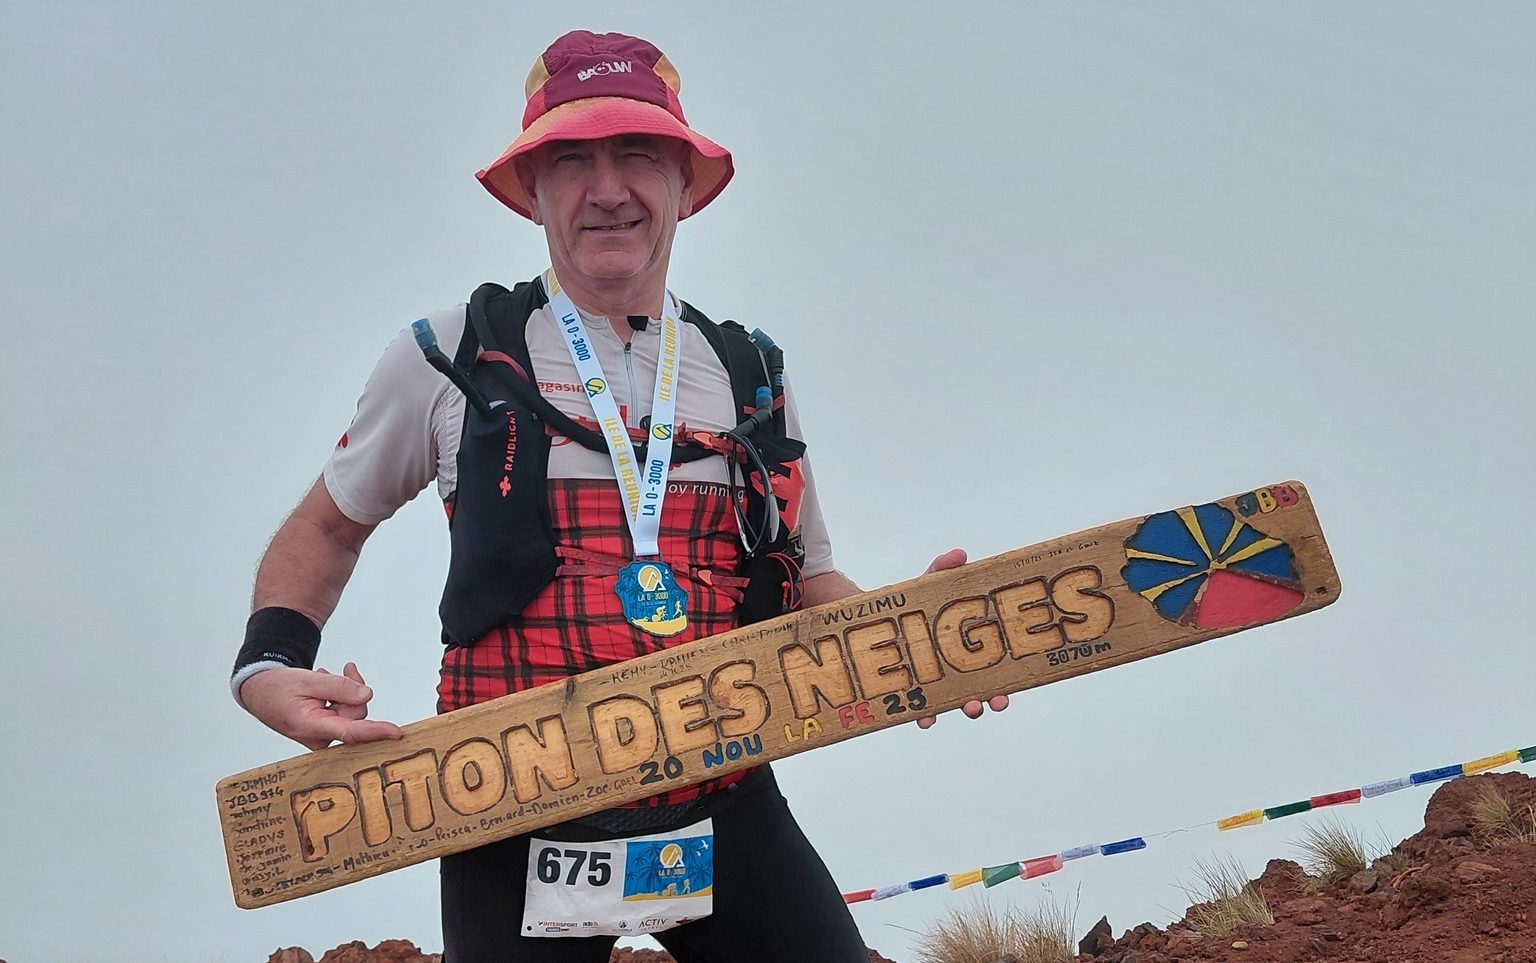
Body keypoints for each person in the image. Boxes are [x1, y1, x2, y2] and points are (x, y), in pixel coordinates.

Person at [231, 29, 1006, 962]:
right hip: (508, 799)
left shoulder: (749, 371)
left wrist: (916, 631)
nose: (607, 189)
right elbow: (327, 526)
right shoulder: (449, 355)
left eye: (637, 153)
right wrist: (268, 666)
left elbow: (807, 578)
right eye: (572, 159)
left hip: (721, 785)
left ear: (684, 183)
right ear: (532, 189)